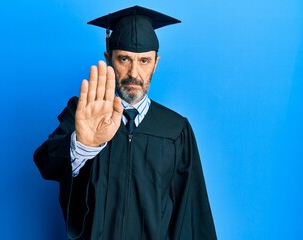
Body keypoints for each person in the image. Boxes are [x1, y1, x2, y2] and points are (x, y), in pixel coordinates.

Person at [34, 5, 217, 240]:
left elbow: (191, 213)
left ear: (155, 63)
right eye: (124, 59)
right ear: (108, 58)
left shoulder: (175, 129)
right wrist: (83, 145)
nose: (134, 73)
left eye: (144, 61)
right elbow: (46, 164)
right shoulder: (84, 113)